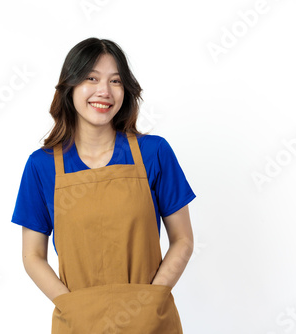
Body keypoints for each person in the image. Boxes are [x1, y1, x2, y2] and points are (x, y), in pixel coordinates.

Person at [11, 37, 197, 333]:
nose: (104, 91)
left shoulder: (154, 153)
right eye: (91, 78)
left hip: (150, 321)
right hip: (78, 322)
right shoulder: (42, 166)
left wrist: (151, 299)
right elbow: (32, 255)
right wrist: (73, 306)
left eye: (116, 81)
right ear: (70, 86)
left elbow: (183, 240)